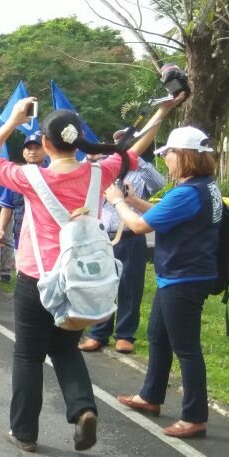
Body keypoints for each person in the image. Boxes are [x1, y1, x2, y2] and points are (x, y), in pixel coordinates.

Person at [0, 94, 179, 453]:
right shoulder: (101, 173)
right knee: (66, 348)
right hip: (81, 277)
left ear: (45, 143)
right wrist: (163, 110)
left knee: (28, 355)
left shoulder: (30, 178)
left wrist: (11, 121)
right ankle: (83, 408)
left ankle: (25, 432)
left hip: (36, 277)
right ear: (77, 139)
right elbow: (135, 149)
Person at [111, 126, 221, 439]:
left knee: (186, 348)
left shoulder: (187, 192)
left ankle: (195, 416)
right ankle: (150, 396)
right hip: (180, 275)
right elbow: (163, 214)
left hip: (184, 277)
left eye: (168, 154)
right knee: (158, 335)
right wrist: (134, 201)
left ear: (184, 156)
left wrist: (118, 201)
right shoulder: (203, 186)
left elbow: (140, 227)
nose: (165, 160)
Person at [79, 130, 167, 354]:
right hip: (102, 236)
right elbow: (81, 178)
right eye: (117, 141)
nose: (121, 145)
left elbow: (160, 183)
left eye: (126, 142)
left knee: (130, 286)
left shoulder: (140, 172)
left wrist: (136, 158)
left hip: (131, 236)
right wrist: (94, 156)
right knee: (102, 285)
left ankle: (125, 335)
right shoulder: (100, 169)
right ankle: (98, 333)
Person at [0, 134, 46, 280]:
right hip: (21, 236)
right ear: (23, 153)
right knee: (24, 275)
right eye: (29, 148)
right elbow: (7, 206)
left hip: (47, 236)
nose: (33, 152)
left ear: (47, 149)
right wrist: (2, 228)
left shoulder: (53, 173)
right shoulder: (16, 176)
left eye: (37, 148)